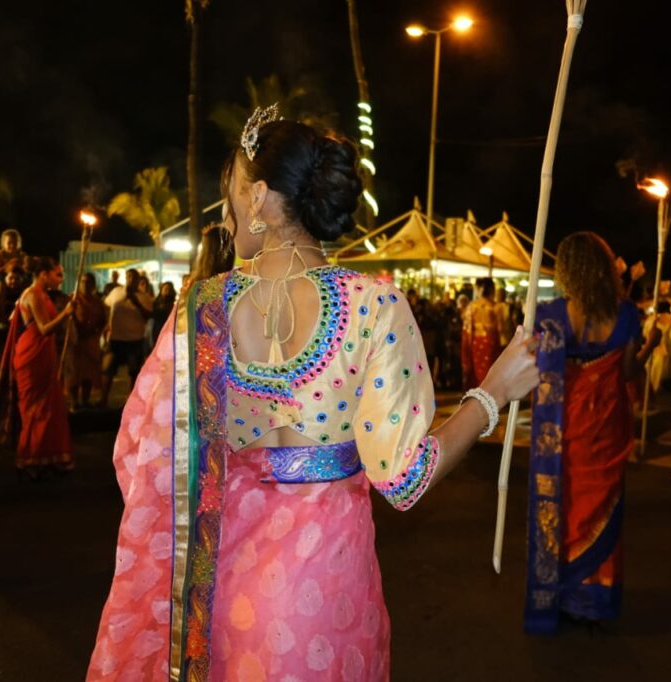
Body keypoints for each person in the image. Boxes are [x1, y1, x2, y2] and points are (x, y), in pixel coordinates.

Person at [86, 112, 540, 680]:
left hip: (221, 590)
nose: (225, 215)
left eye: (230, 196)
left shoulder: (198, 309)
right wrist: (493, 392)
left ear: (257, 196)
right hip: (325, 595)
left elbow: (140, 455)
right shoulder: (374, 306)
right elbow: (405, 478)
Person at [527, 231, 641, 633]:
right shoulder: (627, 315)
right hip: (606, 425)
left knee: (563, 504)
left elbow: (532, 367)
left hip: (561, 427)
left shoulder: (549, 315)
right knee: (603, 506)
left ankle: (557, 592)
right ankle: (593, 598)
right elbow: (629, 372)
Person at [0, 257, 74, 479]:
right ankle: (30, 458)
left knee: (50, 408)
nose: (61, 279)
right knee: (36, 410)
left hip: (44, 354)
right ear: (43, 274)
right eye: (57, 274)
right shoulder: (33, 295)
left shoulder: (43, 295)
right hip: (32, 357)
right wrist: (65, 313)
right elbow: (44, 329)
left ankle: (49, 457)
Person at [99, 268, 153, 407]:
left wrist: (135, 302)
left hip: (134, 340)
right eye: (128, 276)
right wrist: (107, 323)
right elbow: (106, 305)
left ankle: (131, 402)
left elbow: (148, 316)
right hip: (115, 338)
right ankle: (103, 400)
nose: (130, 279)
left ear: (138, 280)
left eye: (133, 277)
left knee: (134, 372)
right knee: (108, 370)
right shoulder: (117, 292)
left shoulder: (144, 296)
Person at [67, 273, 108, 411]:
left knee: (88, 374)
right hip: (75, 342)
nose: (85, 284)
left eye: (88, 282)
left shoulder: (97, 302)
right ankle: (74, 402)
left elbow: (103, 320)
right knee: (74, 373)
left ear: (93, 285)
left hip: (91, 341)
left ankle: (85, 401)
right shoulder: (73, 299)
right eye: (83, 281)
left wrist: (96, 331)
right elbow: (67, 317)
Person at [461, 277, 503, 389]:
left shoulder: (472, 306)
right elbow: (502, 329)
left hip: (477, 343)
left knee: (477, 373)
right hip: (493, 342)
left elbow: (467, 329)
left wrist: (466, 347)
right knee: (491, 372)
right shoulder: (496, 306)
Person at [643, 300, 671, 394]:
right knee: (656, 373)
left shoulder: (650, 319)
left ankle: (644, 390)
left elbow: (644, 333)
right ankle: (652, 392)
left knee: (647, 370)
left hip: (648, 347)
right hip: (661, 349)